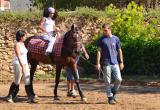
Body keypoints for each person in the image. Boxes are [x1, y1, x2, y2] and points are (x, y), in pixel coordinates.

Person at [96, 23, 124, 104]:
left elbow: (119, 50)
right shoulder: (102, 39)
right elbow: (99, 51)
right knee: (107, 81)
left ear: (109, 29)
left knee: (119, 79)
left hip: (115, 63)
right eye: (103, 31)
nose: (104, 32)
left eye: (106, 30)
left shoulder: (116, 39)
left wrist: (121, 62)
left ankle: (113, 93)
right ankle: (110, 98)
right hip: (106, 63)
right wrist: (98, 63)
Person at [6, 30, 35, 103]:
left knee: (27, 80)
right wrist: (22, 66)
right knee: (17, 81)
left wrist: (26, 65)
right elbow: (18, 56)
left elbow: (25, 55)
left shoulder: (23, 44)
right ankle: (10, 96)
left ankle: (30, 97)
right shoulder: (17, 45)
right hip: (18, 64)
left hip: (25, 64)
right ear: (20, 37)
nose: (25, 37)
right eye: (24, 36)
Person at [66, 32, 89, 97]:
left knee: (72, 77)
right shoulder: (73, 43)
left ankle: (71, 90)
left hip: (75, 63)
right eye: (80, 34)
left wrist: (85, 53)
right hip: (70, 63)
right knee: (70, 77)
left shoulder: (80, 42)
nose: (81, 35)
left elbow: (83, 47)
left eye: (81, 35)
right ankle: (70, 91)